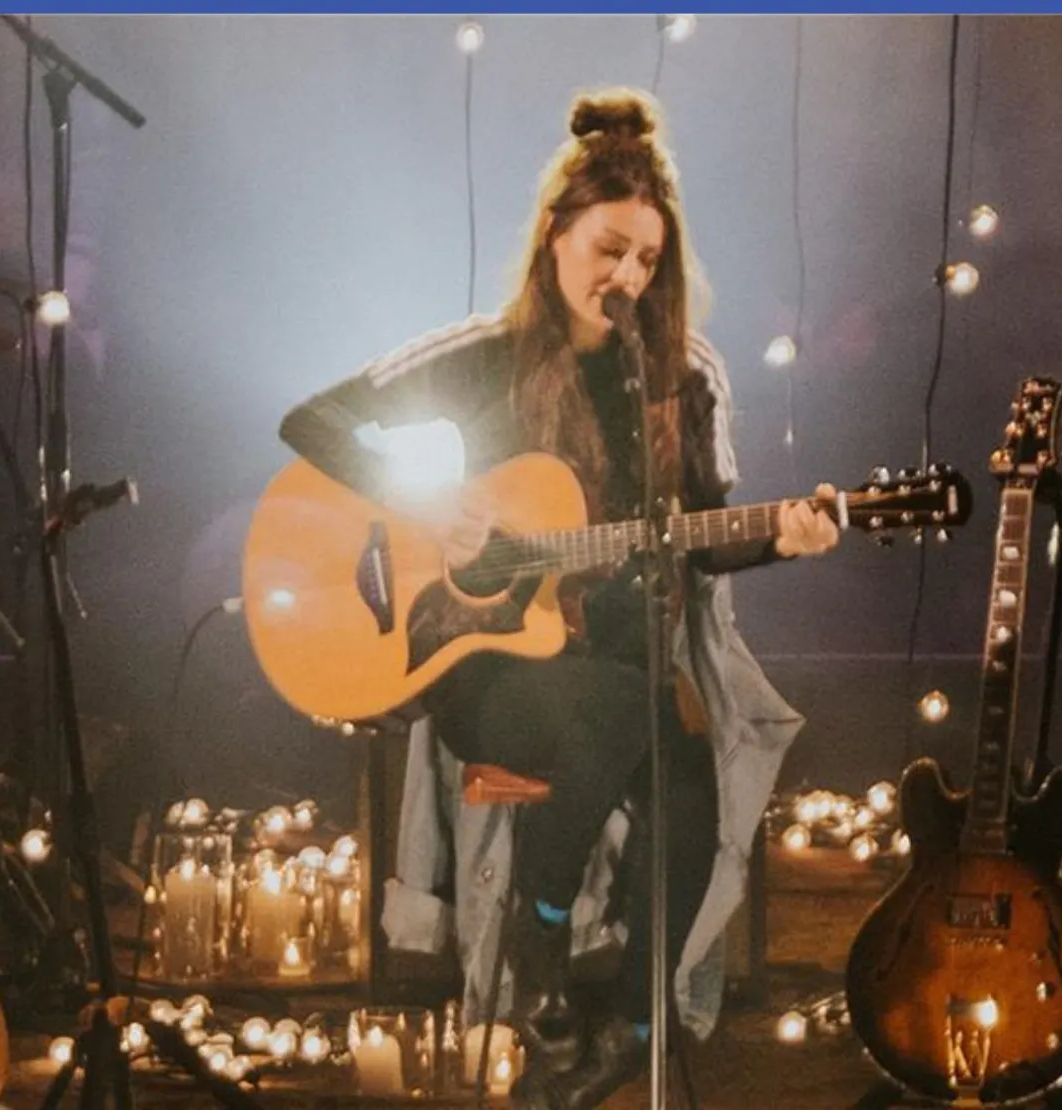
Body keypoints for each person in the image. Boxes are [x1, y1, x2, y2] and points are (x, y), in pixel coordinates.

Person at [278, 86, 837, 1109]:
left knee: (684, 782)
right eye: (607, 250)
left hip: (617, 669)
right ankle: (539, 939)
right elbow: (312, 422)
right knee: (634, 713)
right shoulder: (481, 353)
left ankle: (623, 1031)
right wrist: (428, 503)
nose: (627, 277)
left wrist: (783, 541)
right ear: (554, 238)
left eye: (647, 261)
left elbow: (700, 540)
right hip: (482, 663)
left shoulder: (681, 376)